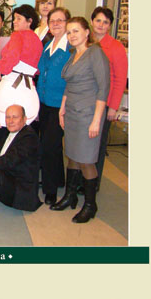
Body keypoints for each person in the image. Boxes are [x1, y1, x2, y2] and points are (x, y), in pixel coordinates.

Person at [51, 17, 109, 224]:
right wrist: (62, 108)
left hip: (88, 113)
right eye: (69, 32)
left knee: (86, 159)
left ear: (87, 32)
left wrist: (96, 120)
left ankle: (91, 205)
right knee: (73, 155)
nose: (72, 35)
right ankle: (70, 196)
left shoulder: (96, 53)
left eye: (76, 31)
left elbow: (103, 89)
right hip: (72, 112)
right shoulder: (74, 54)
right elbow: (70, 84)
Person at [89, 6, 128, 191]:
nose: (101, 25)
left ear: (110, 25)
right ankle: (82, 180)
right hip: (85, 101)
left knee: (98, 145)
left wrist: (113, 107)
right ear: (92, 21)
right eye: (98, 20)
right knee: (84, 144)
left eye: (106, 22)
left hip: (104, 103)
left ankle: (93, 184)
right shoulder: (86, 42)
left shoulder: (115, 47)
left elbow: (120, 79)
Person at [36, 7, 72, 205]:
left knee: (49, 146)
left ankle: (50, 190)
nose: (56, 24)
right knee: (52, 143)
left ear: (67, 23)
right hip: (44, 102)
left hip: (60, 105)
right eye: (53, 21)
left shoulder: (70, 48)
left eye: (60, 20)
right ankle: (58, 179)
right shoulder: (48, 45)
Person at [0, 4, 43, 126]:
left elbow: (12, 58)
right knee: (21, 123)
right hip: (28, 85)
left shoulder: (18, 35)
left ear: (29, 21)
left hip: (12, 82)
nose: (14, 21)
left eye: (19, 18)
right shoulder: (37, 39)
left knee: (3, 121)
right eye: (14, 18)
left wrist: (0, 67)